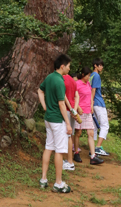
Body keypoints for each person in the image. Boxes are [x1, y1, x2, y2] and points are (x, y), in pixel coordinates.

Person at [38, 54, 74, 193]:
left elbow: (40, 90)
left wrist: (44, 107)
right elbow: (61, 103)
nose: (70, 69)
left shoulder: (50, 77)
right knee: (59, 151)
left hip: (48, 119)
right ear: (62, 66)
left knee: (49, 147)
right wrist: (68, 123)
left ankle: (43, 179)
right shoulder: (59, 81)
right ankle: (58, 183)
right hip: (57, 121)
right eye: (69, 66)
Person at [73, 65, 104, 165]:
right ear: (83, 75)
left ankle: (93, 156)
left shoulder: (88, 84)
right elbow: (73, 97)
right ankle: (76, 152)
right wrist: (77, 107)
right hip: (80, 111)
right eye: (87, 75)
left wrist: (91, 105)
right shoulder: (77, 84)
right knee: (78, 133)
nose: (88, 77)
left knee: (90, 133)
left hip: (88, 111)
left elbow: (91, 95)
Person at [90, 59, 110, 157]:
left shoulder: (90, 75)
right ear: (95, 65)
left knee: (93, 127)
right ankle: (98, 147)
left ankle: (92, 149)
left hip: (93, 103)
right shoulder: (96, 75)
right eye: (100, 65)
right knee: (105, 125)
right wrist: (92, 102)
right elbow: (93, 90)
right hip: (98, 103)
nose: (102, 67)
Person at [63, 69, 81, 170]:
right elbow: (76, 96)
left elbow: (63, 96)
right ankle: (69, 161)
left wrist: (69, 108)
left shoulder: (61, 79)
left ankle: (68, 161)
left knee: (65, 136)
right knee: (70, 135)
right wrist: (74, 109)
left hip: (65, 110)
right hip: (72, 111)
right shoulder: (72, 81)